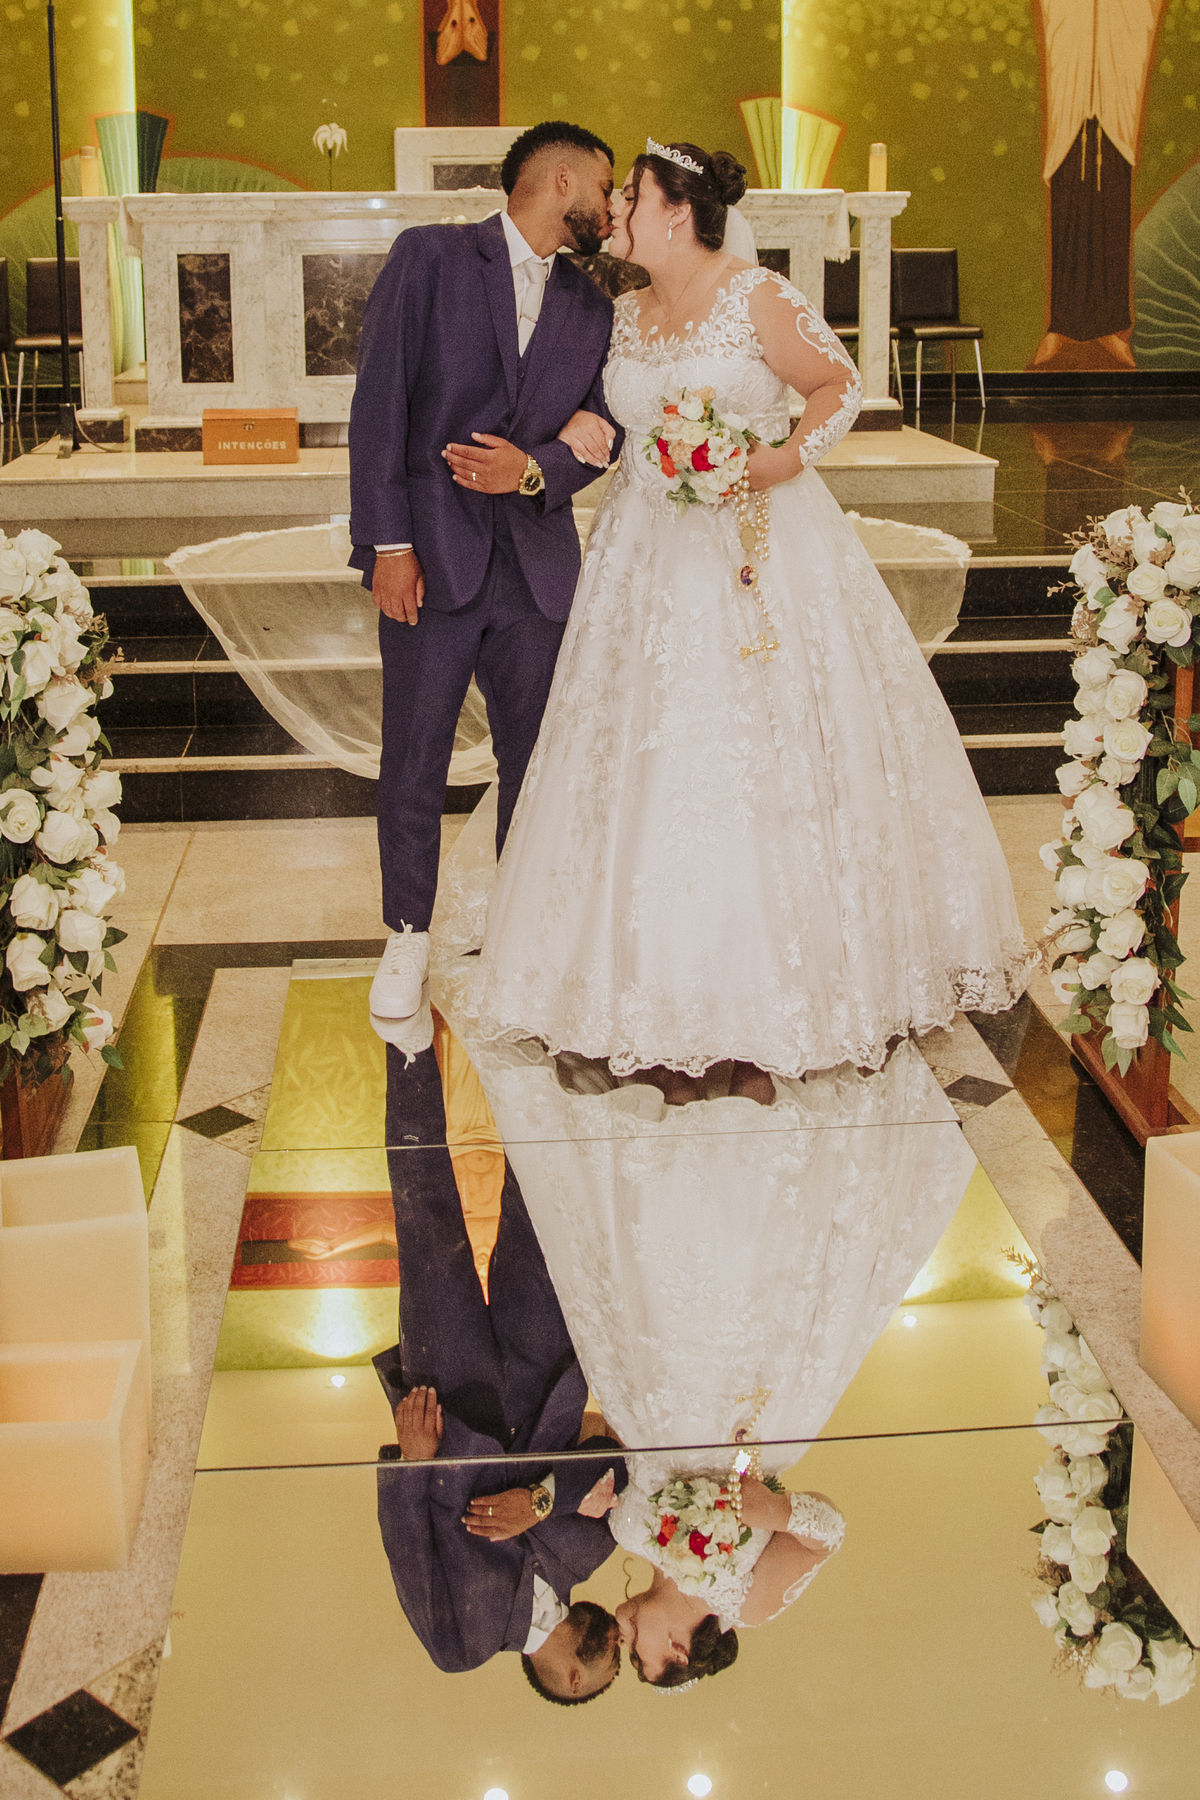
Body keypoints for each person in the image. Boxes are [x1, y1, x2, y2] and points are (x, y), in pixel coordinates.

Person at [472, 139, 1026, 1098]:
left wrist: (781, 458)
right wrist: (577, 435)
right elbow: (603, 420)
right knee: (640, 757)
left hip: (755, 548)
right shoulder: (621, 314)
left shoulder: (756, 295)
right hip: (642, 558)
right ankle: (627, 994)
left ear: (677, 211)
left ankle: (770, 1005)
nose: (615, 210)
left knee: (756, 753)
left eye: (632, 196)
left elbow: (838, 385)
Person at [348, 120, 625, 1031]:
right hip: (431, 559)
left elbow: (607, 427)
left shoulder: (593, 302)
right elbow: (379, 405)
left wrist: (536, 468)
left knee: (534, 764)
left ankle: (520, 938)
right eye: (604, 187)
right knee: (415, 758)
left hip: (538, 570)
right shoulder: (430, 258)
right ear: (560, 179)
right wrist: (389, 546)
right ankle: (406, 936)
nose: (610, 207)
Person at [373, 1040, 624, 1699]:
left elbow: (408, 1548)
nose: (619, 1650)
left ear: (574, 1680)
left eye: (613, 1667)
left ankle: (406, 1042)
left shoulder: (460, 1647)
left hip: (447, 1404)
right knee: (541, 1199)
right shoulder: (592, 1554)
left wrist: (413, 1462)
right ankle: (548, 1037)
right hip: (545, 1373)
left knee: (423, 1210)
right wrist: (539, 1503)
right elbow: (614, 1466)